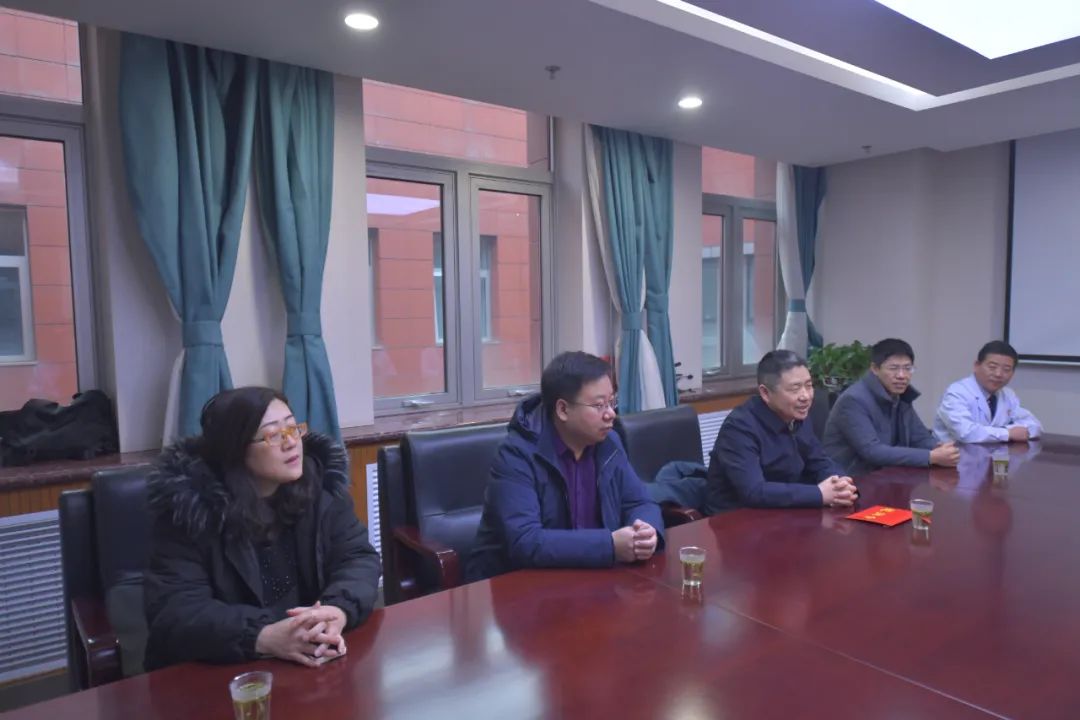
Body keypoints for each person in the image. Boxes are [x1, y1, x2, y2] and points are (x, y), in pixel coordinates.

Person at [144, 387, 381, 671]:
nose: (291, 442)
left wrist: (336, 610)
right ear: (235, 449)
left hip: (311, 656)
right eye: (273, 435)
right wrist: (263, 636)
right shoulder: (191, 511)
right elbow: (176, 611)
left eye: (293, 428)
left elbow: (357, 557)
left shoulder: (321, 487)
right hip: (223, 669)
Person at [466, 351, 664, 582]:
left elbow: (639, 502)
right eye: (599, 405)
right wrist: (610, 545)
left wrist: (645, 531)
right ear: (563, 410)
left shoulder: (609, 442)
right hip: (518, 585)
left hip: (593, 579)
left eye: (612, 402)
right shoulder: (517, 454)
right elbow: (525, 542)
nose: (611, 414)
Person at [705, 350, 858, 513]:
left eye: (809, 386)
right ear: (765, 393)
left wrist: (840, 483)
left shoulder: (797, 415)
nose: (805, 396)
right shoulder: (739, 428)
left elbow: (818, 460)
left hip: (785, 509)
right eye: (795, 389)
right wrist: (819, 494)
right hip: (737, 517)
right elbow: (754, 491)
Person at [822, 338, 960, 477]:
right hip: (851, 479)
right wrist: (930, 457)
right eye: (893, 368)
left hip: (888, 475)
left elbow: (919, 437)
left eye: (907, 368)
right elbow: (872, 451)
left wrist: (940, 448)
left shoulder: (901, 396)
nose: (901, 375)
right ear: (875, 369)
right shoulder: (853, 400)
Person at [934, 340, 1043, 444]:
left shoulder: (1008, 394)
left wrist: (1005, 431)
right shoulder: (957, 393)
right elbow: (966, 433)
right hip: (955, 455)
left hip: (994, 454)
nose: (998, 374)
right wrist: (1007, 433)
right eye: (992, 367)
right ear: (977, 366)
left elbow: (1035, 426)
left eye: (1006, 369)